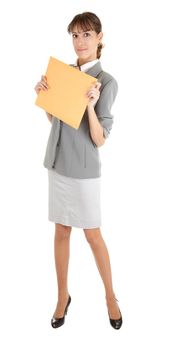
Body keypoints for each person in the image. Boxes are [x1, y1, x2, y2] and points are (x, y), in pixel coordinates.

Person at [34, 11, 122, 330]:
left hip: (84, 170)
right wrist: (44, 96)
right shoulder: (64, 73)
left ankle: (110, 297)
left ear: (99, 38)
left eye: (86, 35)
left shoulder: (107, 82)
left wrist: (89, 105)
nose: (79, 41)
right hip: (57, 163)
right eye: (74, 35)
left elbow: (99, 139)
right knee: (61, 230)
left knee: (93, 235)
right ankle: (62, 296)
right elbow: (56, 121)